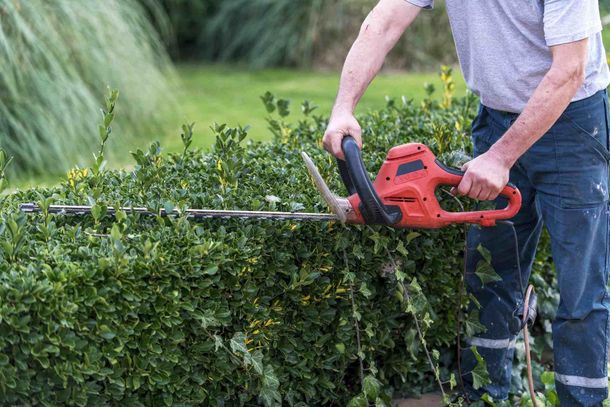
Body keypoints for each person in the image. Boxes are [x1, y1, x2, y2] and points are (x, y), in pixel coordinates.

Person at [322, 0, 610, 405]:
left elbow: (569, 71)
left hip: (572, 123)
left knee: (582, 287)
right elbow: (384, 21)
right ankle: (483, 398)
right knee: (490, 275)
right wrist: (343, 108)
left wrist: (500, 157)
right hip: (496, 117)